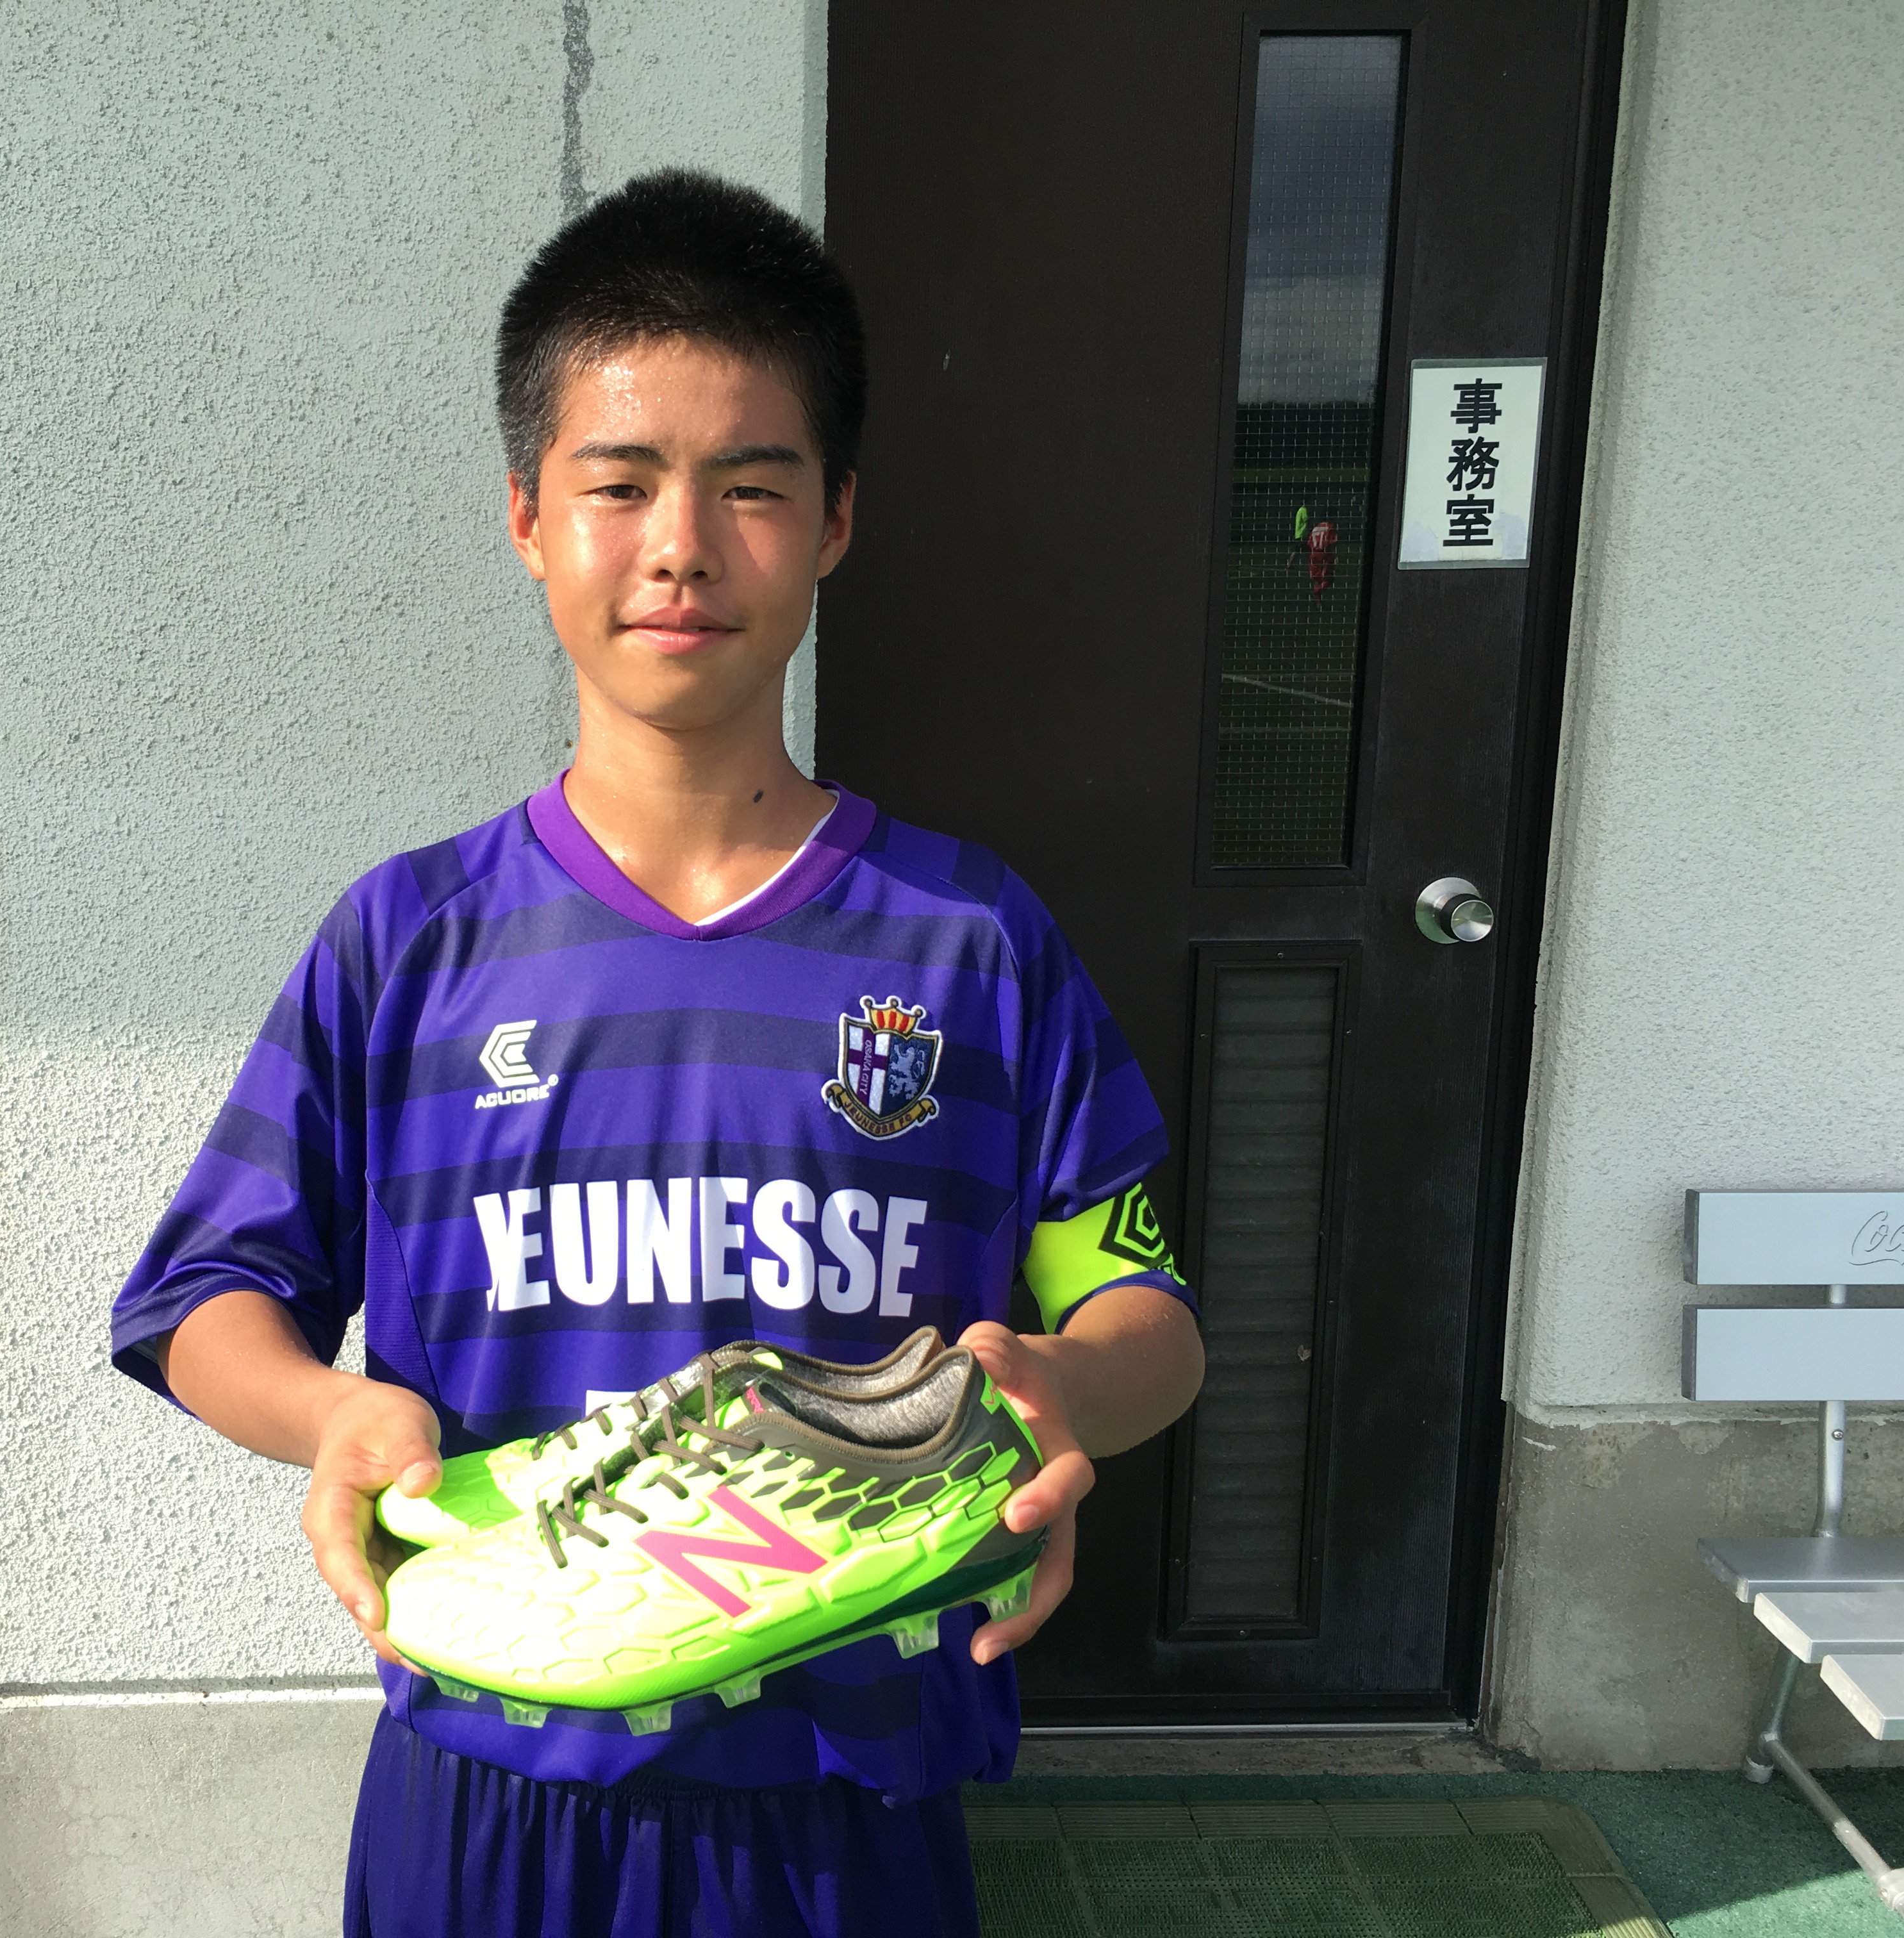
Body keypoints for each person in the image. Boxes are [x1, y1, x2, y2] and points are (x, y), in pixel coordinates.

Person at [110, 168, 1205, 1938]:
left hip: (851, 1789)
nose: (682, 546)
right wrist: (333, 1413)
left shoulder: (969, 940)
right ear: (529, 517)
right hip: (495, 1779)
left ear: (836, 520)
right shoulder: (409, 942)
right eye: (619, 485)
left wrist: (1065, 1392)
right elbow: (207, 1296)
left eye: (751, 486)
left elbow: (1144, 1315)